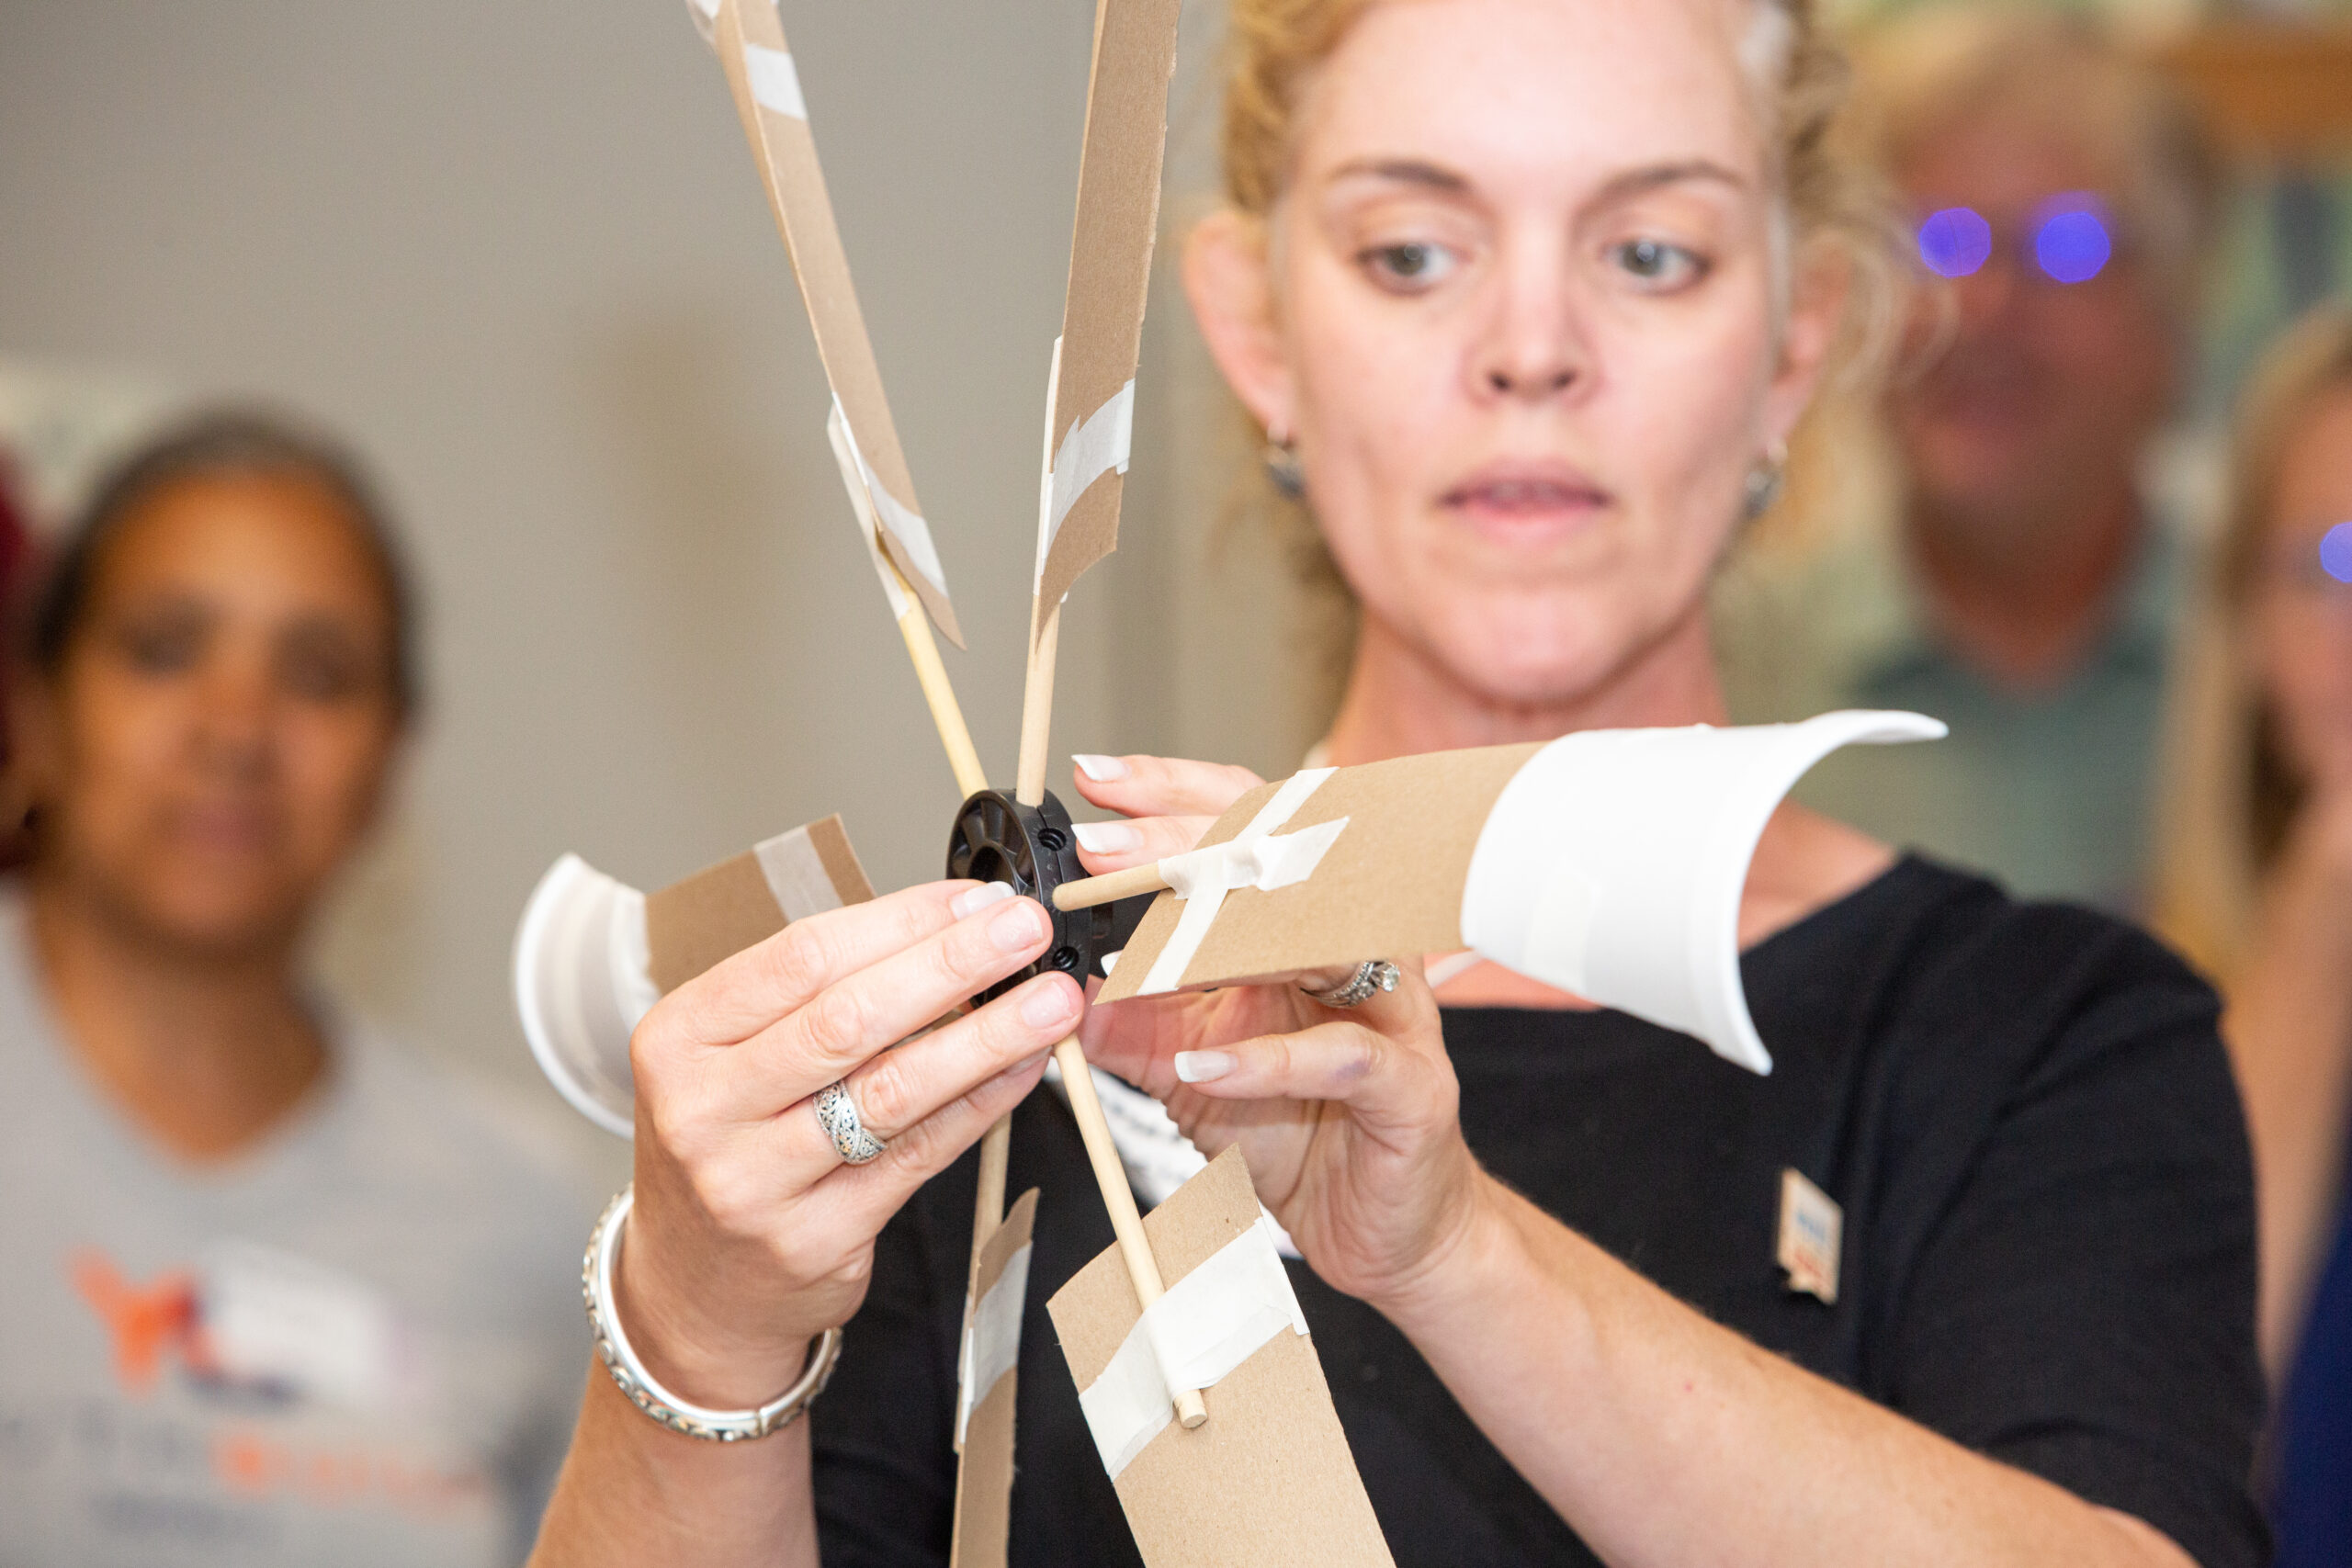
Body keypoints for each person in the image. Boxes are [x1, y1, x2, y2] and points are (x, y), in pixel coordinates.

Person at [530, 2, 2264, 1564]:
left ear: (1795, 345)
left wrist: (1453, 1254)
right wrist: (696, 1324)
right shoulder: (1012, 1048)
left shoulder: (2037, 1040)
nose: (1531, 347)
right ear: (1257, 332)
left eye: (1650, 253)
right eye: (1414, 252)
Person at [0, 412, 593, 1565]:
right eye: (163, 649)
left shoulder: (533, 1221)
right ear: (37, 708)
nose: (237, 729)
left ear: (392, 760)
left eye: (318, 676)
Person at [1717, 9, 2221, 915]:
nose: (1982, 304)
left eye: (2065, 248)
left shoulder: (2282, 666)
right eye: (1936, 242)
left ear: (2174, 315)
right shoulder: (1731, 687)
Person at [2154, 305, 2352, 1568]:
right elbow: (2166, 1469)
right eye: (2333, 563)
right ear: (2247, 636)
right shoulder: (2119, 1030)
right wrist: (2324, 910)